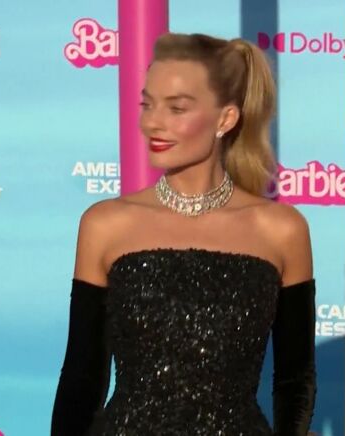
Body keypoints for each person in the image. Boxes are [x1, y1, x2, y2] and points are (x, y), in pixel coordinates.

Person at [51, 32, 317, 435]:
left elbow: (295, 382)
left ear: (225, 119)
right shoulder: (105, 225)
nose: (152, 122)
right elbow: (81, 380)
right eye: (147, 104)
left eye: (176, 108)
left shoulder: (281, 230)